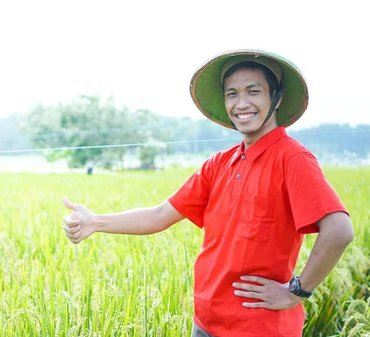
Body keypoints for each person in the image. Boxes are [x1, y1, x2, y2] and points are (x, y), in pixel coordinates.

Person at [61, 50, 354, 337]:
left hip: (257, 328)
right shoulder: (219, 163)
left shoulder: (291, 158)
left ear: (275, 98)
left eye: (253, 92)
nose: (242, 103)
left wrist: (296, 291)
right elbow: (160, 215)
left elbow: (339, 230)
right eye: (232, 94)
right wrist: (95, 222)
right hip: (205, 321)